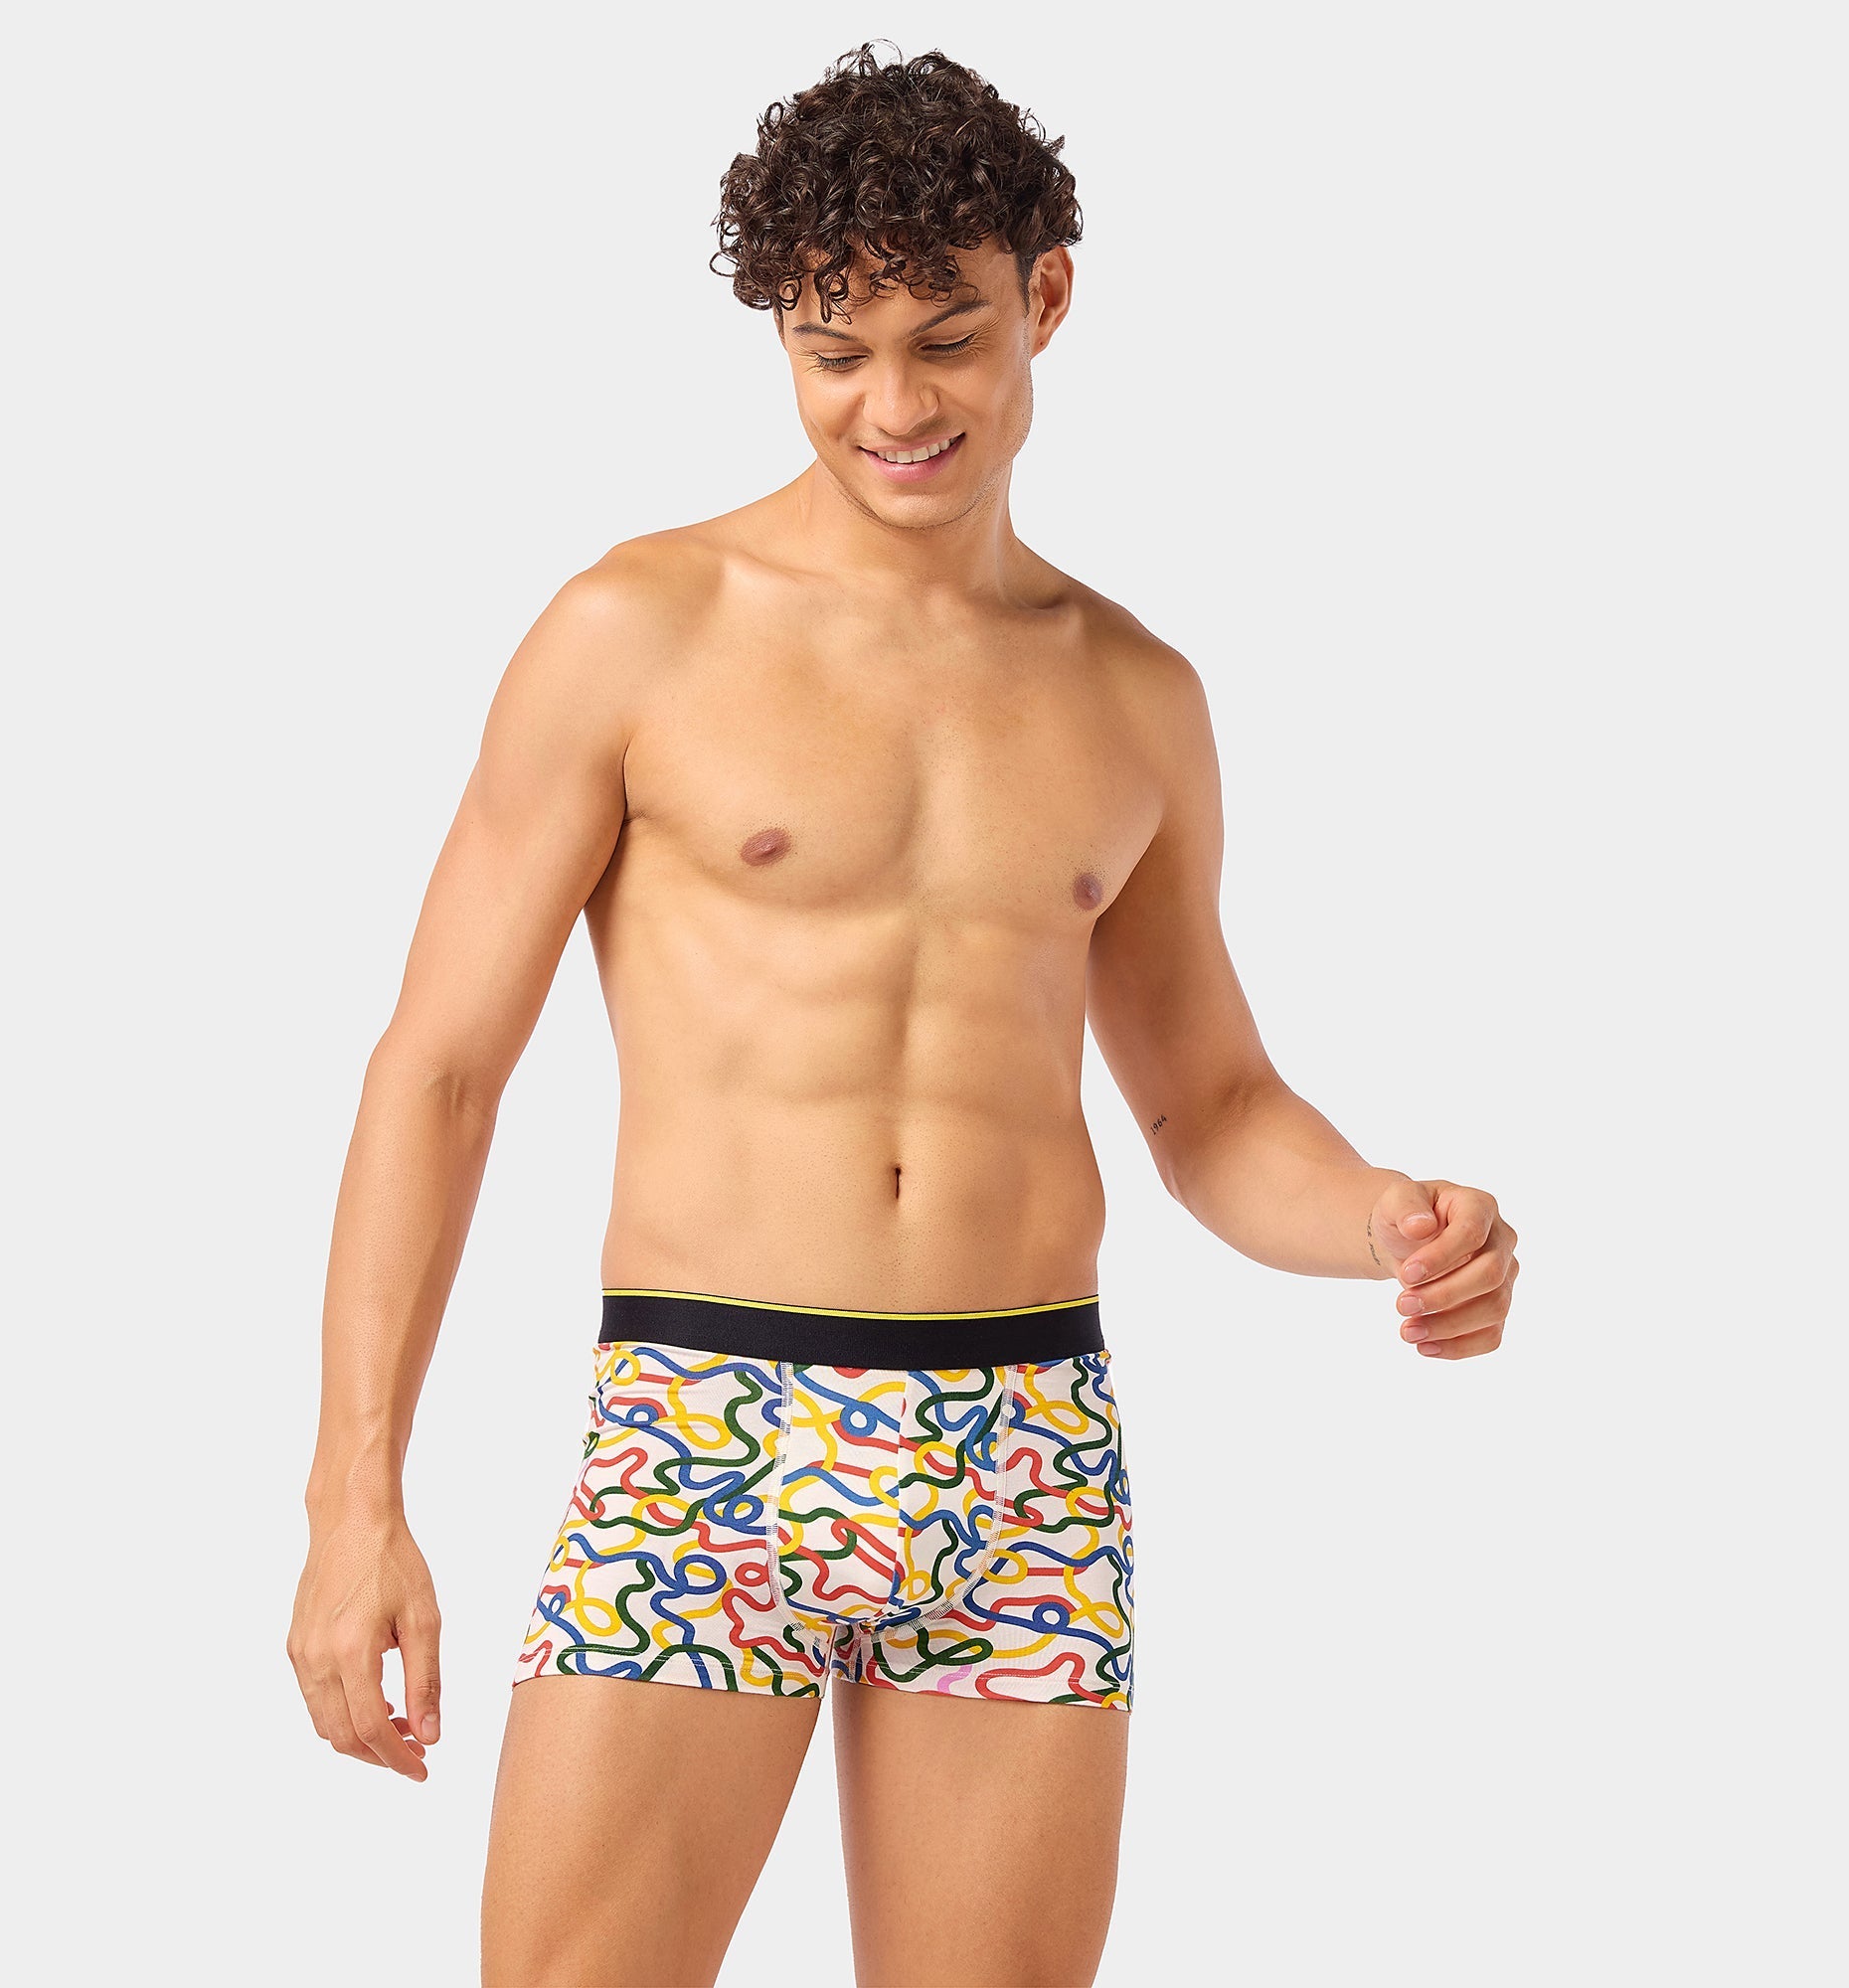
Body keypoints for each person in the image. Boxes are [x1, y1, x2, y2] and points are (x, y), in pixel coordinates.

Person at [287, 43, 1519, 1988]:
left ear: (1045, 297)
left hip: (1028, 1448)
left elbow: (1208, 1106)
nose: (893, 405)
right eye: (832, 350)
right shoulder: (636, 632)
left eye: (945, 341)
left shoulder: (1134, 695)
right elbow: (437, 1073)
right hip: (711, 1425)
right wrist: (354, 1496)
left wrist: (1380, 1214)